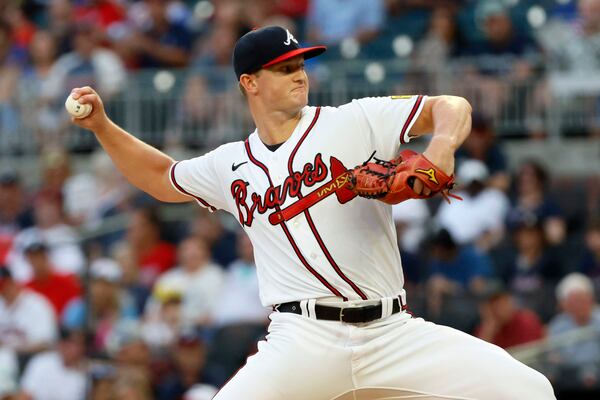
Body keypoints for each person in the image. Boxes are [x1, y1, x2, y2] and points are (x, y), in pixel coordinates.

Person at [68, 25, 554, 399]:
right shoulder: (230, 165)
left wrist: (443, 147)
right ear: (249, 82)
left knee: (530, 391)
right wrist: (105, 127)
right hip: (302, 340)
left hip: (392, 331)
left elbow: (451, 104)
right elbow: (160, 177)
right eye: (283, 67)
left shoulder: (354, 119)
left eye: (300, 62)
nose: (299, 72)